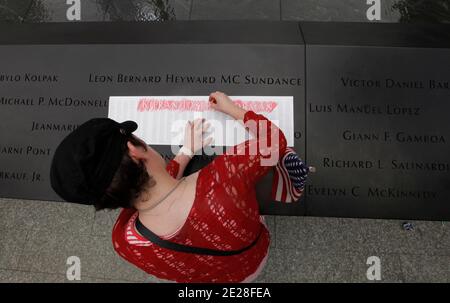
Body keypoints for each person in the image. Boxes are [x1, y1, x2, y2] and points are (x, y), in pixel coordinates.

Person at [50, 91, 287, 283]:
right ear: (134, 151)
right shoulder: (225, 178)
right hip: (252, 257)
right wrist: (231, 108)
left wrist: (185, 153)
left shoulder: (123, 240)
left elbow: (149, 192)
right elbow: (274, 142)